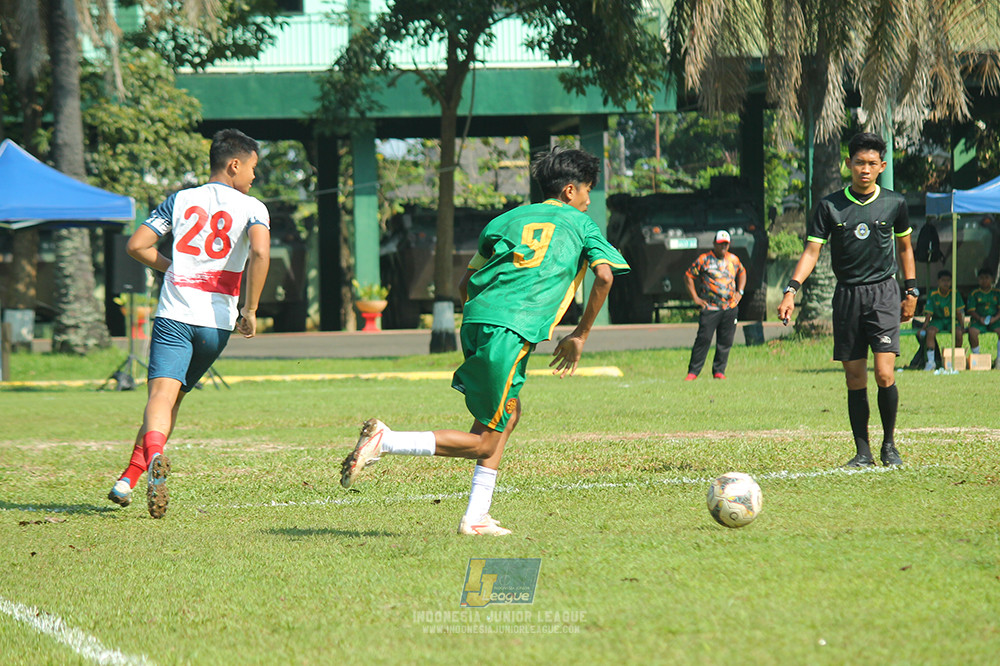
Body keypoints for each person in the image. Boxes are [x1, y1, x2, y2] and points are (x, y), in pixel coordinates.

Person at [339, 147, 630, 536]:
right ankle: (386, 441)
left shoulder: (505, 219)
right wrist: (580, 335)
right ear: (569, 191)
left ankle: (476, 516)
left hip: (477, 319)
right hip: (511, 329)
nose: (588, 200)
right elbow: (606, 277)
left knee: (508, 414)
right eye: (587, 191)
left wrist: (485, 323)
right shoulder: (580, 223)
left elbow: (465, 283)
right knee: (482, 441)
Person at [107, 129, 271, 518]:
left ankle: (155, 456)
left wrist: (171, 268)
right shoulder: (253, 207)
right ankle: (128, 478)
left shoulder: (180, 200)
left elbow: (137, 246)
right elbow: (261, 253)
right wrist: (250, 310)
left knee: (160, 399)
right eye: (253, 168)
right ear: (235, 164)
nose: (253, 177)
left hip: (175, 315)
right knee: (173, 399)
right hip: (215, 325)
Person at [777, 132, 917, 468]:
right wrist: (791, 290)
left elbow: (905, 248)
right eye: (859, 163)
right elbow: (812, 252)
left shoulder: (894, 204)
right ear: (848, 164)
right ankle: (863, 452)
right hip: (848, 295)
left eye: (871, 163)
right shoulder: (829, 206)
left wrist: (911, 290)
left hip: (884, 292)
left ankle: (889, 446)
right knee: (855, 377)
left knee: (885, 373)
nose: (864, 169)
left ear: (882, 166)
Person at [683, 230, 746, 380]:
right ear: (714, 244)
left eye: (725, 244)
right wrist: (696, 298)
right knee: (703, 339)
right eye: (720, 244)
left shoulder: (734, 260)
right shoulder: (704, 260)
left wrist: (740, 292)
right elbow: (688, 276)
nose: (723, 247)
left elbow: (743, 273)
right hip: (710, 308)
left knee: (726, 340)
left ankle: (719, 371)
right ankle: (693, 372)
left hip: (729, 307)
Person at [918, 269, 965, 370]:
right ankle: (931, 362)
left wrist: (962, 326)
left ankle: (956, 358)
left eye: (948, 280)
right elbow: (929, 313)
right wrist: (924, 327)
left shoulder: (955, 293)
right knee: (930, 332)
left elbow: (959, 312)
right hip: (938, 320)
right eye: (943, 280)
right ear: (938, 282)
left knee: (958, 333)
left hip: (951, 320)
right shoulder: (933, 294)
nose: (946, 283)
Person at [965, 268, 999, 359]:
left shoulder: (997, 292)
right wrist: (980, 318)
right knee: (972, 331)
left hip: (995, 319)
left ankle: (999, 359)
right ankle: (977, 356)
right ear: (978, 280)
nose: (984, 280)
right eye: (981, 278)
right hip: (978, 320)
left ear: (992, 279)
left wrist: (995, 318)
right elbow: (971, 310)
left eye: (987, 278)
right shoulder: (974, 293)